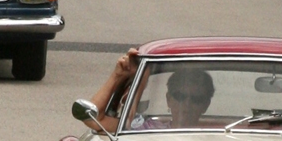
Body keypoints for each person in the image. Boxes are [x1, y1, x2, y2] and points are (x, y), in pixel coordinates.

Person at [86, 50, 214, 131]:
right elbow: (92, 119)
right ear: (168, 99)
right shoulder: (147, 129)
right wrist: (117, 75)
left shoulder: (216, 138)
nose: (187, 104)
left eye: (196, 99)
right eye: (180, 96)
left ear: (206, 105)